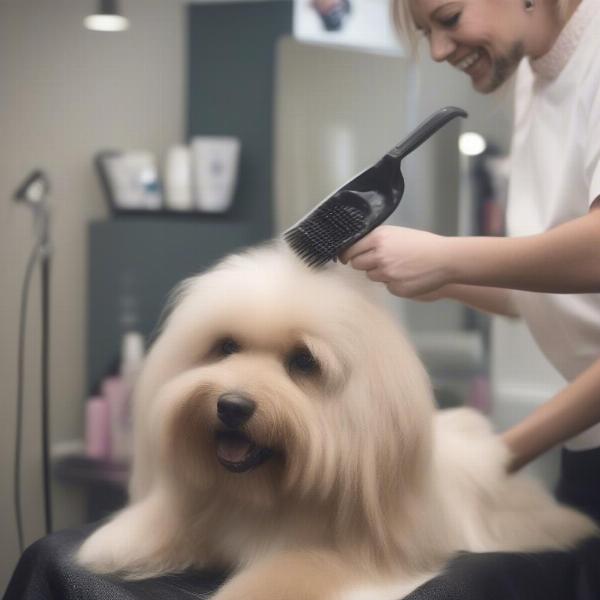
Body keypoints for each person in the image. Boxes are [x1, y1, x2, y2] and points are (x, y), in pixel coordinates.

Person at [341, 0, 600, 524]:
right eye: (426, 31)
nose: (437, 50)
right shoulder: (534, 75)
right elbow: (555, 292)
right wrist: (446, 277)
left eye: (450, 17)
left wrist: (497, 456)